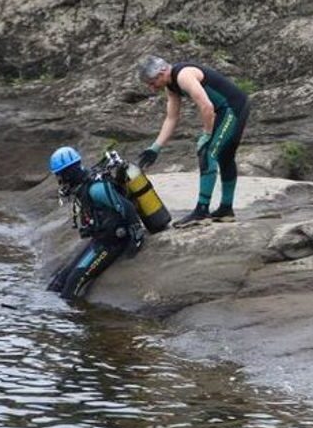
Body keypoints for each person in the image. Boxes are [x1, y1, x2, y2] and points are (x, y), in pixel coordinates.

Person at [136, 56, 250, 228]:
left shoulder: (184, 75)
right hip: (228, 108)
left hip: (232, 108)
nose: (152, 88)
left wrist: (207, 134)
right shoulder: (171, 86)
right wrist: (155, 148)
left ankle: (201, 211)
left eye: (152, 83)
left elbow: (206, 106)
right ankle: (226, 210)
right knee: (225, 157)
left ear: (161, 72)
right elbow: (171, 118)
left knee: (208, 151)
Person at [47, 146, 145, 300]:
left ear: (69, 173)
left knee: (73, 283)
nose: (60, 180)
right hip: (101, 239)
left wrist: (137, 238)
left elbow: (128, 208)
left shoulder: (95, 188)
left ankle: (68, 320)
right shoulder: (84, 186)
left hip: (113, 242)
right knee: (58, 281)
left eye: (60, 175)